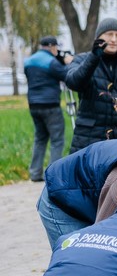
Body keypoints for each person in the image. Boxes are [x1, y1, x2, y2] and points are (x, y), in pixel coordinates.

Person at [64, 17, 117, 152]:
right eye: (109, 34)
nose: (114, 39)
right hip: (88, 138)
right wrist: (94, 57)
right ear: (99, 37)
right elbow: (73, 82)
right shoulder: (82, 59)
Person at [24, 36, 74, 182]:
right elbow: (66, 75)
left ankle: (35, 173)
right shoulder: (51, 62)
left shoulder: (28, 61)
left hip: (33, 104)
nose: (57, 50)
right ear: (52, 46)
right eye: (56, 47)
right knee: (57, 140)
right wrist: (67, 62)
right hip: (50, 104)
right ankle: (53, 175)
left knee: (40, 138)